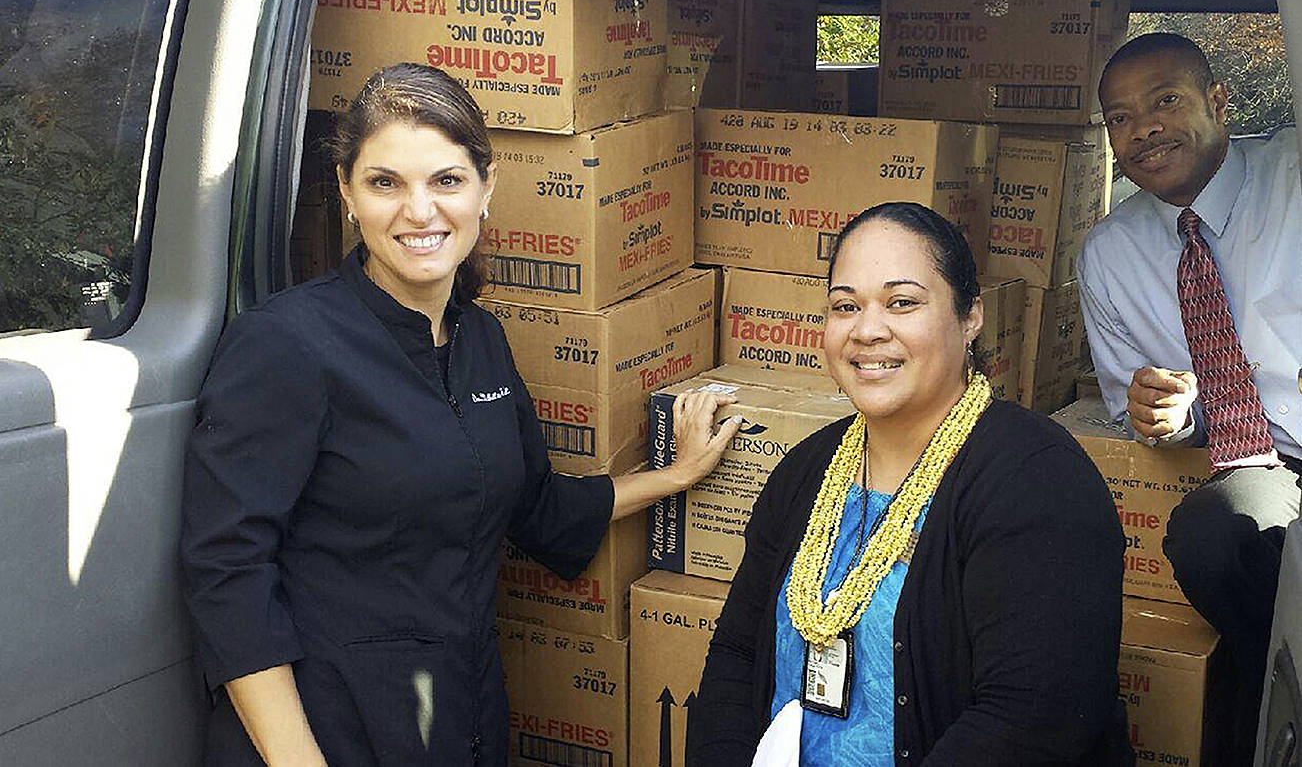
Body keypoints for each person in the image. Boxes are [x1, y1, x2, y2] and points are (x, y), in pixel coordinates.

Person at [179, 63, 741, 766]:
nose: (420, 211)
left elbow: (536, 509)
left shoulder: (480, 340)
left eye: (446, 180)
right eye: (386, 183)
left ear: (486, 188)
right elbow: (228, 568)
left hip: (458, 712)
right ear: (347, 194)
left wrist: (673, 475)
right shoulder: (288, 343)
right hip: (329, 724)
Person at [688, 202, 1131, 766]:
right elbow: (736, 654)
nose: (868, 331)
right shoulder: (805, 471)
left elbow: (1032, 721)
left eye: (902, 302)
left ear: (970, 317)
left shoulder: (1038, 480)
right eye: (845, 306)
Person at [1077, 32, 1302, 764]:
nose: (1142, 128)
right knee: (1216, 530)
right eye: (1119, 117)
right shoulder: (1108, 255)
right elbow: (1135, 406)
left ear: (1219, 101)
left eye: (1164, 100)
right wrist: (1172, 415)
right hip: (1268, 467)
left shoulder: (1296, 176)